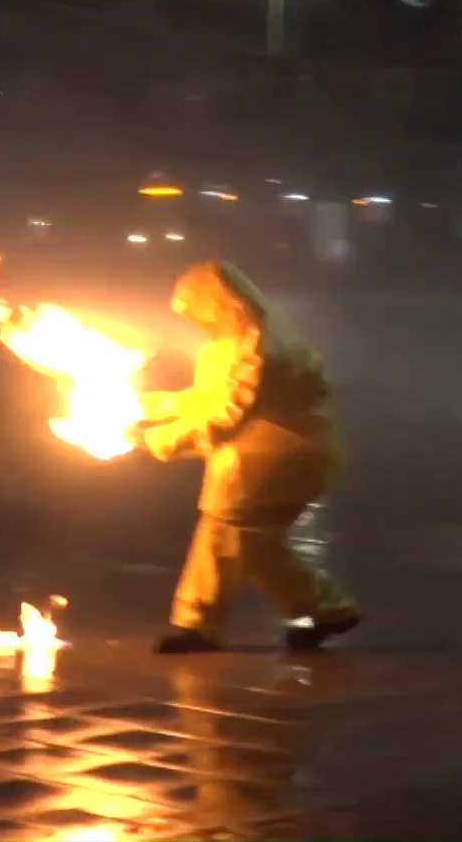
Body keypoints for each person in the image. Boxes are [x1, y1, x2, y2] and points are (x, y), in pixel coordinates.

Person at [135, 260, 359, 653]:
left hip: (279, 460)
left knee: (224, 535)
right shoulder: (232, 343)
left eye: (198, 311)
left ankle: (198, 625)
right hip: (261, 461)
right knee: (255, 547)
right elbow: (208, 399)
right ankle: (328, 609)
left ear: (220, 304)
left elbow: (227, 414)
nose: (195, 322)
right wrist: (148, 406)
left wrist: (159, 440)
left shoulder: (259, 348)